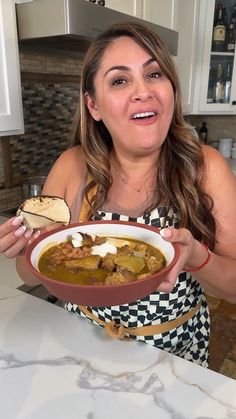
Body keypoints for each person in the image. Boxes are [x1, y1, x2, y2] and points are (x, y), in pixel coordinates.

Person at [0, 22, 236, 368]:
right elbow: (27, 271)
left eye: (154, 74)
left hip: (173, 365)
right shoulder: (72, 166)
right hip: (80, 352)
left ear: (172, 88)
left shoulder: (205, 168)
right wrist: (31, 247)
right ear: (93, 105)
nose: (143, 92)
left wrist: (196, 257)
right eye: (120, 80)